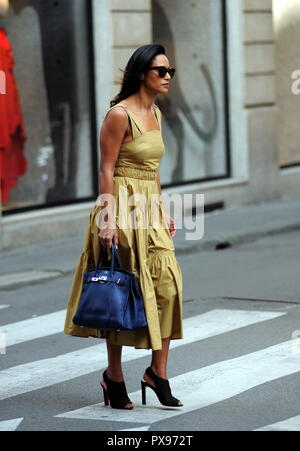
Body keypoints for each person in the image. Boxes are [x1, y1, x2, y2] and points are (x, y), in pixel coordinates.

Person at [64, 44, 184, 410]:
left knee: (167, 287)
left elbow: (154, 170)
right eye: (160, 71)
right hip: (122, 209)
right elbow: (105, 169)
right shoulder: (119, 115)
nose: (167, 77)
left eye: (169, 72)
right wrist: (108, 220)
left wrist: (162, 210)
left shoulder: (156, 113)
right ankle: (113, 377)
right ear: (142, 73)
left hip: (150, 210)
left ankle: (157, 373)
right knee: (122, 292)